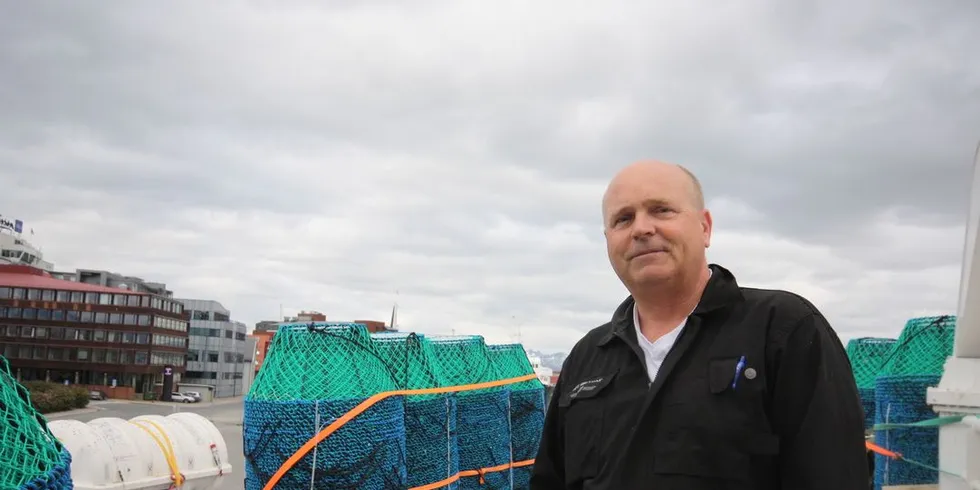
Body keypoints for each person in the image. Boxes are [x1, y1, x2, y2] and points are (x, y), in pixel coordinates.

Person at [530, 161, 869, 489]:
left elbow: (833, 475)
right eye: (623, 219)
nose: (642, 228)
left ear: (705, 227)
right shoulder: (587, 358)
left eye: (661, 210)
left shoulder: (784, 329)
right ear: (608, 240)